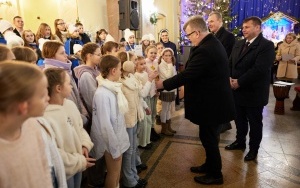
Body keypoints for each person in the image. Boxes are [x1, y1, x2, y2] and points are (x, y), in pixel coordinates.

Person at [156, 15, 235, 185]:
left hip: (212, 103)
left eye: (189, 35)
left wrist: (162, 84)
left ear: (197, 32)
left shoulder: (206, 48)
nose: (189, 38)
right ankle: (209, 165)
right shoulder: (210, 43)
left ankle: (215, 174)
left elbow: (189, 74)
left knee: (210, 138)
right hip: (212, 101)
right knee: (208, 137)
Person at [225, 17, 275, 162]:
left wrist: (239, 82)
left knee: (254, 122)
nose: (243, 29)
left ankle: (253, 149)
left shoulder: (266, 45)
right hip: (236, 90)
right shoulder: (239, 43)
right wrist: (229, 78)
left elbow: (259, 69)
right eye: (243, 27)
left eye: (247, 27)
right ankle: (240, 142)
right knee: (239, 120)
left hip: (253, 92)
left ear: (257, 28)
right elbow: (230, 63)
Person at [0, 61, 53, 188]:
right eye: (42, 96)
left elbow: (44, 169)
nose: (48, 98)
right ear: (23, 106)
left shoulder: (33, 126)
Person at [43, 68, 95, 188]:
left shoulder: (70, 104)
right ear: (58, 88)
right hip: (63, 170)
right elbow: (54, 152)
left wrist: (84, 144)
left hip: (78, 163)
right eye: (69, 83)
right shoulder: (46, 116)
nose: (72, 86)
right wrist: (78, 161)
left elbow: (79, 128)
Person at [89, 55, 130, 188]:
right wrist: (114, 149)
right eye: (119, 69)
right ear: (113, 70)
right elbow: (105, 125)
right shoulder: (102, 94)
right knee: (113, 174)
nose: (121, 72)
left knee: (117, 174)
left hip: (117, 138)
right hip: (111, 142)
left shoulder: (113, 88)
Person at [207, 11, 235, 133]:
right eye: (208, 22)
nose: (209, 24)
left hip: (222, 73)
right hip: (215, 73)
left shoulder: (227, 36)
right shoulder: (212, 35)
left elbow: (228, 57)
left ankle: (224, 123)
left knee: (222, 99)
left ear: (220, 21)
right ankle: (222, 123)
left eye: (212, 21)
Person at [158, 48, 177, 135]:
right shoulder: (161, 65)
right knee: (164, 109)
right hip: (165, 90)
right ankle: (164, 128)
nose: (168, 57)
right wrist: (170, 65)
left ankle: (169, 127)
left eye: (169, 55)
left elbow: (175, 77)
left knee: (169, 109)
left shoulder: (172, 64)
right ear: (162, 56)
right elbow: (168, 76)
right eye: (166, 55)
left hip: (172, 89)